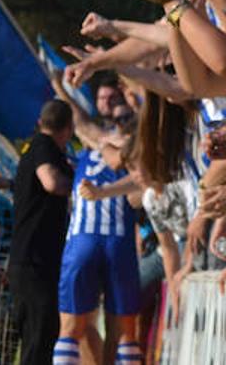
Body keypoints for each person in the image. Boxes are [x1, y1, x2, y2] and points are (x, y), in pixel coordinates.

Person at [53, 134, 143, 365]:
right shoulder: (134, 157)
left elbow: (83, 123)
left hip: (82, 241)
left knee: (70, 329)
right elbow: (137, 198)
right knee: (124, 333)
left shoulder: (86, 154)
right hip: (119, 241)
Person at [9, 100, 75, 365]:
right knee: (40, 336)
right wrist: (82, 186)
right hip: (35, 261)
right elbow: (51, 182)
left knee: (36, 336)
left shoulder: (32, 149)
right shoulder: (44, 147)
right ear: (68, 129)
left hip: (27, 259)